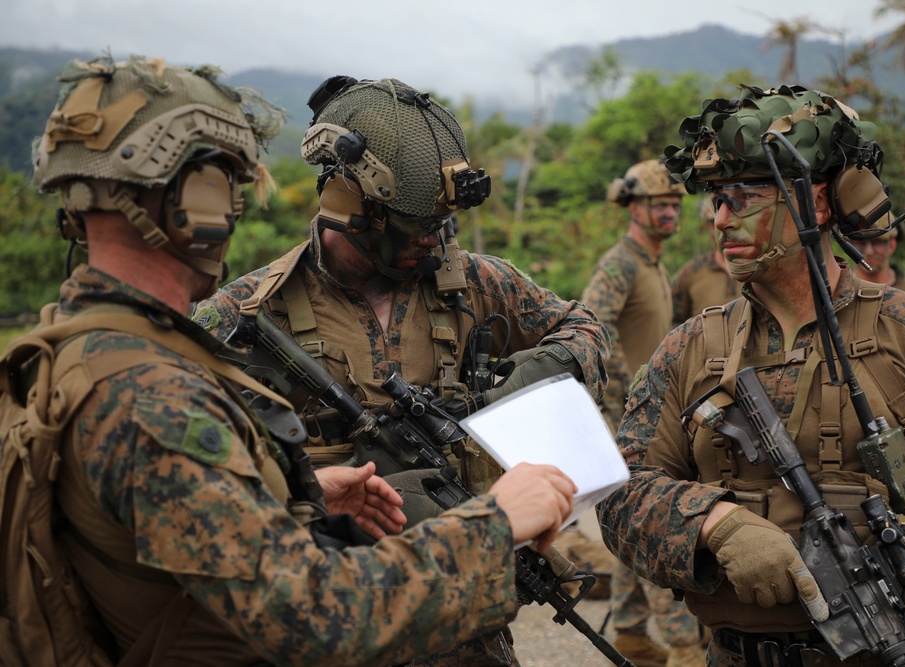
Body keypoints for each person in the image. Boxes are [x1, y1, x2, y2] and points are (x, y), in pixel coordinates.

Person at [16, 55, 578, 667]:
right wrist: (495, 525)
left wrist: (295, 497)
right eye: (227, 185)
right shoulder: (153, 395)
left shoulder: (68, 356)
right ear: (199, 201)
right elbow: (312, 613)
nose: (232, 209)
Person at [195, 75, 609, 666]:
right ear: (351, 211)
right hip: (330, 621)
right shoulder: (246, 314)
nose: (436, 245)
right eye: (416, 228)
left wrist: (520, 383)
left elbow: (587, 330)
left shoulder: (474, 281)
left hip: (467, 627)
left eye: (443, 227)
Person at [597, 84, 905, 666]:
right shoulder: (688, 349)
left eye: (744, 195)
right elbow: (619, 493)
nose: (721, 218)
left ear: (817, 201)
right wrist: (715, 524)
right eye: (715, 198)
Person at [581, 160, 705, 667]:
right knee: (656, 524)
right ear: (635, 207)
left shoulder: (654, 264)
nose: (671, 212)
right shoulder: (621, 263)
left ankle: (630, 631)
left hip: (659, 417)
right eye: (661, 204)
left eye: (676, 204)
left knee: (634, 526)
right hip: (635, 421)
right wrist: (622, 397)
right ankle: (684, 647)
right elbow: (592, 325)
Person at [671, 196, 740, 327]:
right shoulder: (691, 272)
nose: (721, 227)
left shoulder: (760, 269)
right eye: (713, 222)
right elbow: (673, 322)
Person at [848, 215, 905, 304]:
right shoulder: (841, 294)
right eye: (860, 243)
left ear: (892, 245)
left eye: (877, 242)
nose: (869, 251)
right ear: (849, 246)